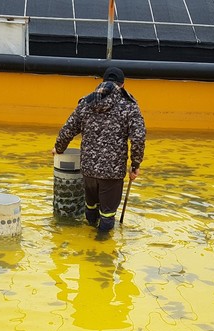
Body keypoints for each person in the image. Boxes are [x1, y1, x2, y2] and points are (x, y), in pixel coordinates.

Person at [52, 66, 146, 232]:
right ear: (122, 85)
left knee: (91, 206)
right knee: (108, 215)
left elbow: (69, 128)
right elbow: (138, 138)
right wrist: (135, 164)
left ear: (103, 82)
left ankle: (89, 242)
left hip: (88, 169)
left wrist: (59, 148)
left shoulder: (87, 102)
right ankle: (101, 250)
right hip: (112, 172)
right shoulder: (130, 107)